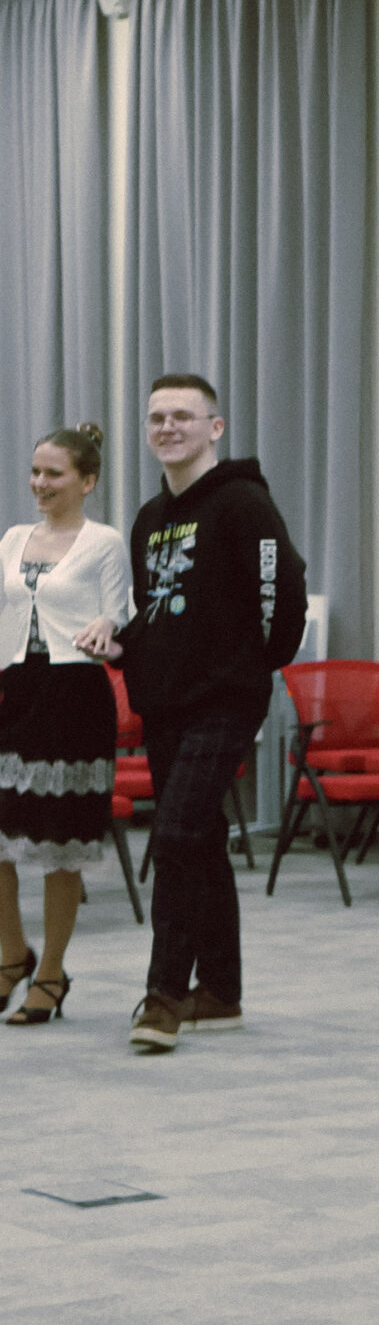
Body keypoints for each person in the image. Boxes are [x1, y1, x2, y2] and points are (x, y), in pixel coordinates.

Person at [102, 373, 308, 1054]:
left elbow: (283, 587)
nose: (167, 427)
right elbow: (157, 611)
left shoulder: (244, 502)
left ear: (214, 428)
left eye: (183, 416)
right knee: (202, 837)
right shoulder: (149, 518)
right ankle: (219, 992)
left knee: (177, 832)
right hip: (166, 701)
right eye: (157, 417)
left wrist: (255, 664)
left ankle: (163, 995)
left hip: (226, 698)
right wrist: (124, 644)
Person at [0, 425, 133, 1027]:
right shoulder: (13, 538)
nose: (39, 483)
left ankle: (50, 973)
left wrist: (107, 627)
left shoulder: (103, 541)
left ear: (87, 481)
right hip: (15, 690)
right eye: (35, 472)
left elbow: (117, 610)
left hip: (74, 694)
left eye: (53, 474)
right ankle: (12, 954)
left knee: (60, 843)